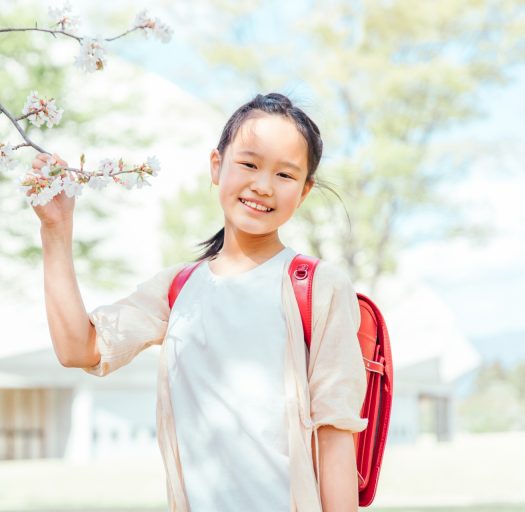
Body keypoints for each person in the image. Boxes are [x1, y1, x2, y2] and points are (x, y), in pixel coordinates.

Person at [32, 92, 368, 512]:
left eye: (285, 175)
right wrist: (56, 231)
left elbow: (336, 437)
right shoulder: (177, 288)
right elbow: (78, 348)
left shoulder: (318, 287)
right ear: (216, 165)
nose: (262, 185)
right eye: (249, 164)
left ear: (304, 192)